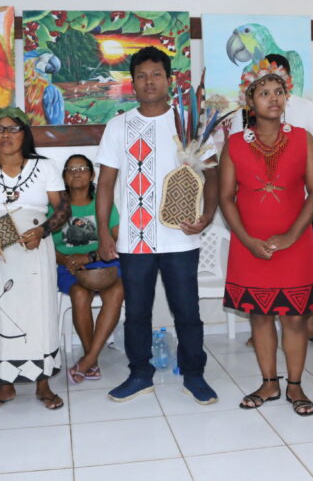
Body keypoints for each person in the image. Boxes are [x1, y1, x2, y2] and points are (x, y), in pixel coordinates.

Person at [96, 46, 219, 404]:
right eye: (141, 76)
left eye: (156, 75)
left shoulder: (189, 124)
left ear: (169, 80)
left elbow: (214, 176)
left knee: (187, 311)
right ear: (132, 83)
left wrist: (207, 216)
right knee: (136, 313)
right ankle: (139, 375)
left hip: (181, 237)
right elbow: (105, 184)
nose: (149, 81)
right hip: (134, 239)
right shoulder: (118, 126)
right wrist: (104, 232)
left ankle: (194, 375)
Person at [219, 60, 313, 415]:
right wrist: (247, 240)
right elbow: (226, 198)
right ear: (250, 101)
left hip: (295, 243)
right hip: (250, 244)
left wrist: (293, 234)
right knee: (260, 316)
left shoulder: (303, 139)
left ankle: (295, 386)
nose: (273, 98)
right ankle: (269, 383)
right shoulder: (234, 144)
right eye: (264, 93)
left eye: (279, 92)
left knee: (295, 317)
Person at [0, 106, 70, 412]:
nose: (5, 135)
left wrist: (44, 230)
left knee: (39, 312)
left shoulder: (44, 167)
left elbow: (63, 208)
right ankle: (5, 386)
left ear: (25, 134)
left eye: (12, 129)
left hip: (35, 249)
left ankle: (43, 384)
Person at [234, 53, 313, 350]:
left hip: (298, 205)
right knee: (261, 292)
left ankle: (309, 326)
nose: (273, 95)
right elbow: (239, 153)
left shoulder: (305, 108)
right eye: (264, 90)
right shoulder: (244, 116)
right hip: (257, 214)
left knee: (302, 272)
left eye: (278, 86)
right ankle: (262, 328)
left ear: (287, 82)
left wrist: (295, 157)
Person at [52, 154, 125, 384]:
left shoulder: (102, 204)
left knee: (117, 290)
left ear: (92, 175)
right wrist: (66, 259)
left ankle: (89, 359)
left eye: (82, 168)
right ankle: (90, 358)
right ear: (64, 176)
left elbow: (119, 240)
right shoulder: (55, 206)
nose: (77, 173)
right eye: (71, 169)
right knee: (79, 293)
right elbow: (45, 244)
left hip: (103, 261)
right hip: (67, 265)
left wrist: (91, 256)